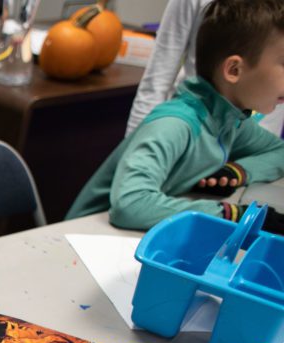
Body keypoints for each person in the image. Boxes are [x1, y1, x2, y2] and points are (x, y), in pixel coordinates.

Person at [66, 0, 284, 231]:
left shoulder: (229, 122)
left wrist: (237, 172)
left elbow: (279, 152)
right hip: (80, 242)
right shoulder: (174, 124)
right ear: (233, 70)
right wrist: (228, 215)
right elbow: (129, 204)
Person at [126, 0, 284, 137]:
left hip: (255, 153)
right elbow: (156, 81)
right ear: (233, 69)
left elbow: (272, 154)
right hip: (194, 131)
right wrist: (134, 144)